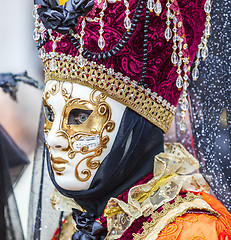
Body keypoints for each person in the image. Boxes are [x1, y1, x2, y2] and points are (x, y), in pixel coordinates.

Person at [32, 0, 231, 239]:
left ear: (137, 126)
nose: (53, 139)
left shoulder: (192, 230)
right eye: (50, 115)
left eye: (81, 116)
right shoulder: (74, 225)